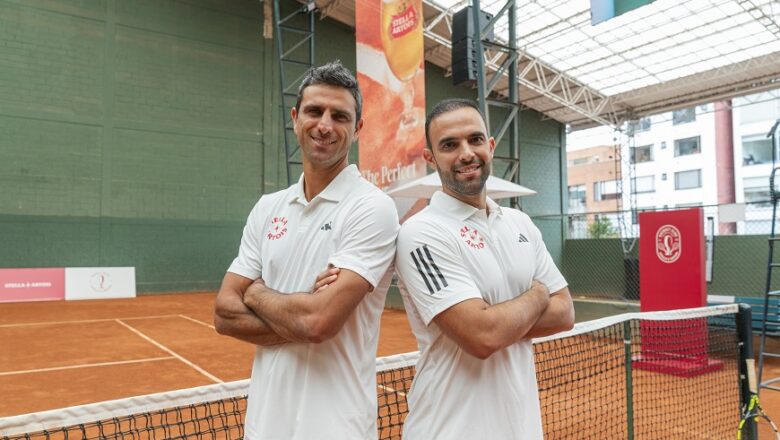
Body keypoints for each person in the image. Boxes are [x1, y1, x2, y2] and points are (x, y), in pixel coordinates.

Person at [213, 61, 399, 440]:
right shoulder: (268, 207)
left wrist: (256, 291)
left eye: (340, 116)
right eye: (314, 111)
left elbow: (317, 323)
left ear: (358, 129)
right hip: (264, 426)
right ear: (296, 118)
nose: (325, 125)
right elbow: (224, 313)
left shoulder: (372, 208)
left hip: (336, 428)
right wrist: (303, 315)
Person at [394, 98, 575, 439]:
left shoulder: (520, 223)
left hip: (521, 428)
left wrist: (497, 321)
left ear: (490, 146)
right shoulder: (419, 233)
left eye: (475, 140)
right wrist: (537, 294)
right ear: (430, 158)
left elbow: (564, 312)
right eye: (449, 145)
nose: (466, 153)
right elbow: (481, 335)